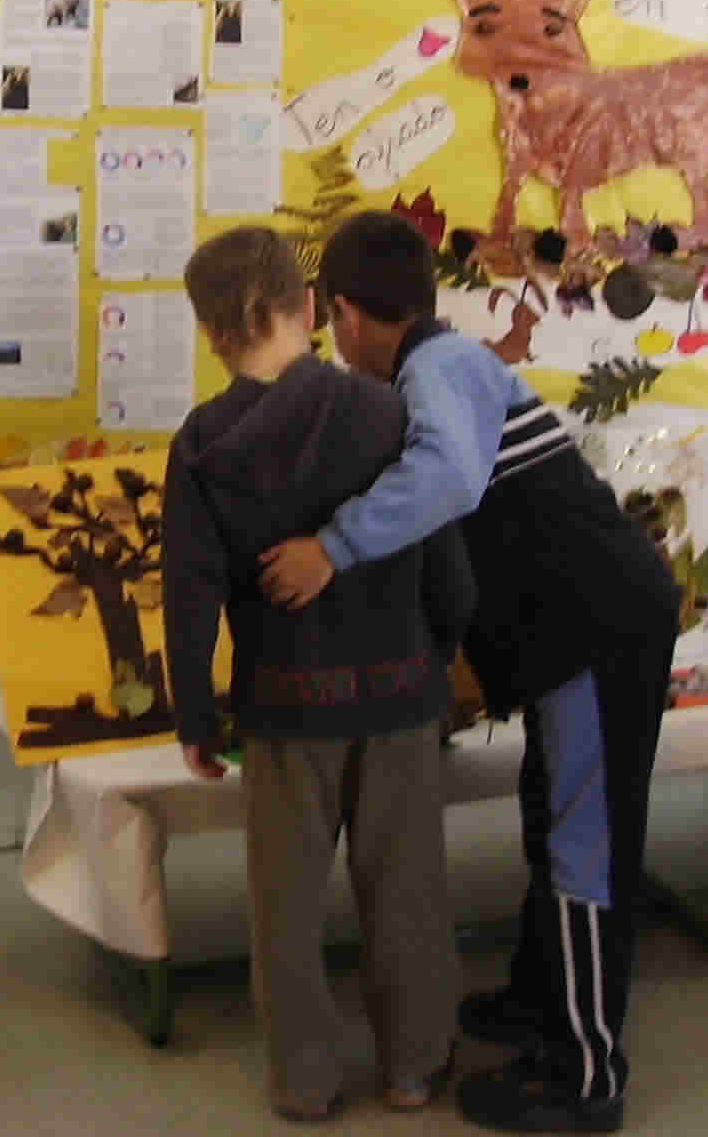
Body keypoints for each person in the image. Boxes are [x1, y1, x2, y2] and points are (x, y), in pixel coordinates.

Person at [261, 209, 680, 1134]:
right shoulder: (440, 366)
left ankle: (586, 1077)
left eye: (329, 323)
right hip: (574, 632)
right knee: (550, 814)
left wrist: (331, 548)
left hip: (598, 629)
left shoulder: (439, 367)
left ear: (345, 313)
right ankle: (539, 1000)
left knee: (583, 842)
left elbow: (447, 481)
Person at [164, 225, 477, 1122]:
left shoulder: (202, 444)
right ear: (308, 307)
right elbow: (445, 560)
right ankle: (413, 1065)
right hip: (399, 696)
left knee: (285, 910)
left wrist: (197, 718)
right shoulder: (388, 414)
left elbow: (189, 594)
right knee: (406, 892)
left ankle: (303, 1081)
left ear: (212, 334)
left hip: (282, 707)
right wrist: (442, 653)